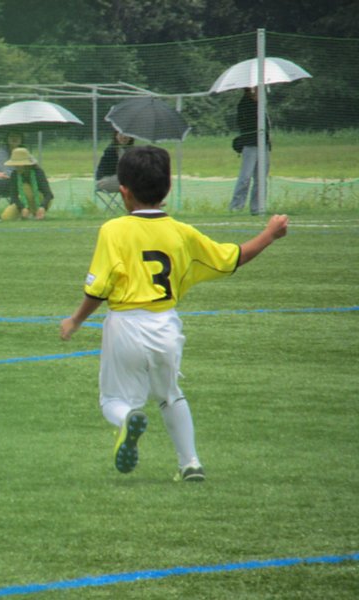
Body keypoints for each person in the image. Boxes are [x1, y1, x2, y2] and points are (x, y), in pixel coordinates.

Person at [60, 146, 288, 482]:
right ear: (166, 189)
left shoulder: (113, 230)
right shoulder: (182, 233)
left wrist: (76, 320)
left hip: (125, 324)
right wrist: (269, 234)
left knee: (112, 400)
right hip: (166, 325)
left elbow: (99, 288)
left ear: (124, 192)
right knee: (170, 396)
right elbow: (232, 258)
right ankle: (190, 463)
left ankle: (127, 419)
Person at [229, 87, 271, 215]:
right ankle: (236, 207)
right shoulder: (245, 104)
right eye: (255, 90)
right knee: (245, 177)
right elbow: (245, 123)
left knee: (261, 179)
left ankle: (257, 208)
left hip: (263, 145)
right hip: (250, 145)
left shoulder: (261, 105)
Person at [2, 147, 54, 220]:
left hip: (41, 201)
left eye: (18, 165)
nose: (16, 167)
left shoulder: (38, 172)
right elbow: (14, 197)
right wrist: (22, 208)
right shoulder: (14, 175)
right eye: (15, 164)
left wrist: (42, 207)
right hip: (24, 202)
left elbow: (48, 195)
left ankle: (36, 212)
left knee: (26, 187)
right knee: (5, 217)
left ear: (26, 165)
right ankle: (27, 213)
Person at [0, 130, 25, 195]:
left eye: (17, 136)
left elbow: (33, 165)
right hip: (1, 182)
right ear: (7, 139)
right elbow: (6, 172)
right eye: (12, 136)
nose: (14, 138)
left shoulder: (23, 151)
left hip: (18, 180)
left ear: (21, 139)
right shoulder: (1, 153)